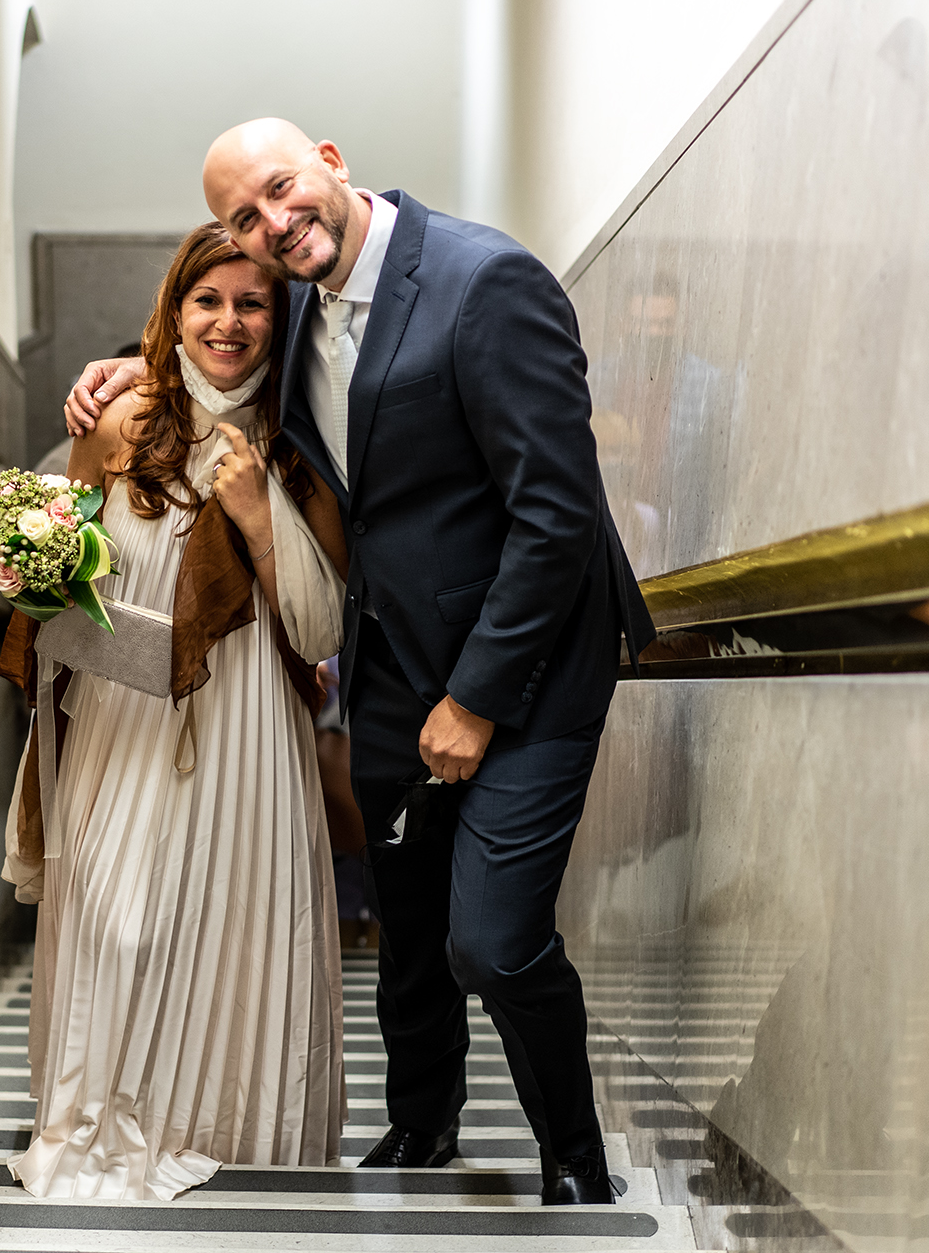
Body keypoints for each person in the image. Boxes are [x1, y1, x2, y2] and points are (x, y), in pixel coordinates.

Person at [65, 118, 657, 1205]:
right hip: (392, 663)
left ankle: (574, 1153)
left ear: (330, 162)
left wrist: (475, 699)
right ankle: (423, 1125)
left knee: (491, 940)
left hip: (525, 668)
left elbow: (560, 513)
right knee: (409, 922)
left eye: (282, 189)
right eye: (245, 217)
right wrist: (128, 365)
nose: (274, 224)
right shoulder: (296, 297)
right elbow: (220, 345)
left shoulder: (486, 281)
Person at [2, 221, 351, 1200]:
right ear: (175, 310)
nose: (228, 322)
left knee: (236, 931)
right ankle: (103, 1114)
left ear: (281, 319)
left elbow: (320, 627)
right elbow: (57, 569)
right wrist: (22, 557)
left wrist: (257, 512)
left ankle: (231, 1132)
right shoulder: (117, 419)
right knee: (117, 919)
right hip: (120, 716)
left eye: (252, 303)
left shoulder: (303, 448)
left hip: (247, 726)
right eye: (208, 301)